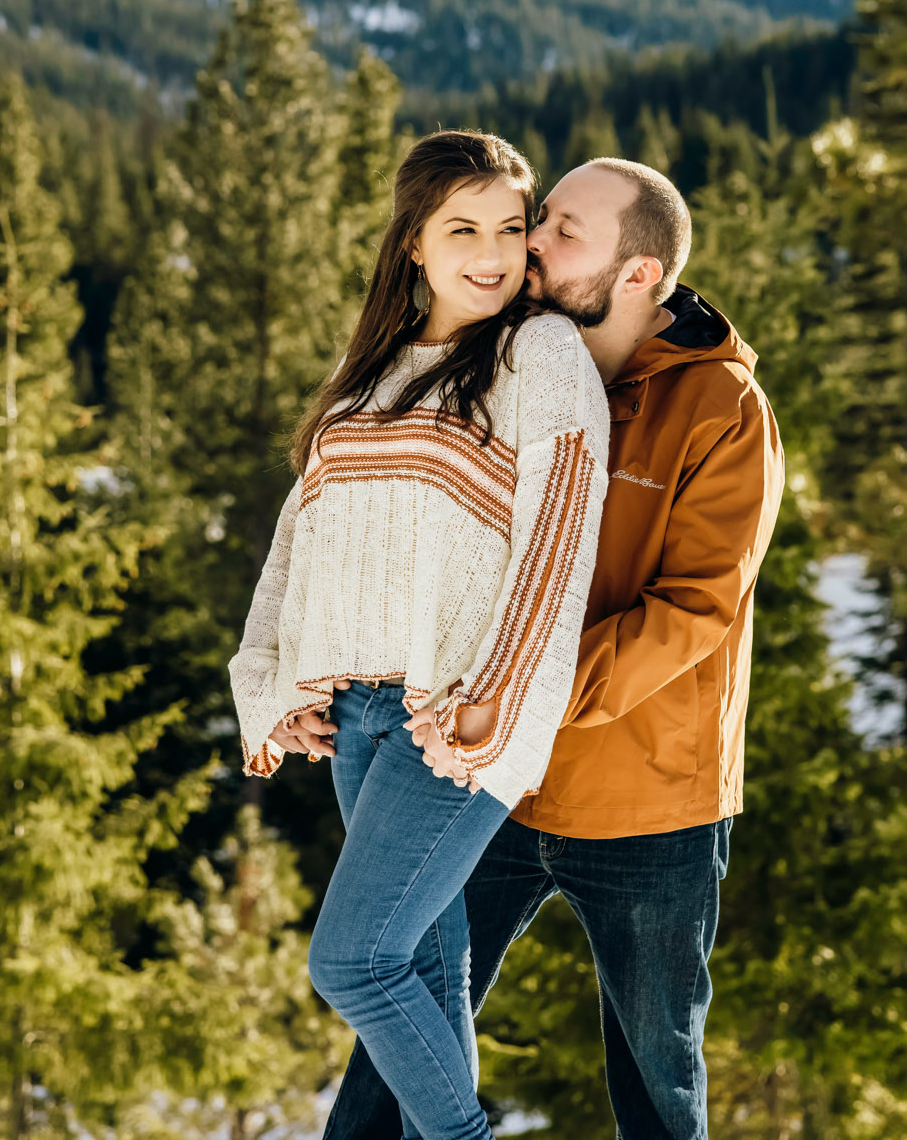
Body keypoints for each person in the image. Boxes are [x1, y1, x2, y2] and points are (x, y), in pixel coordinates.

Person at [320, 157, 785, 1140]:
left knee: (656, 1078)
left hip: (645, 800)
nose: (529, 242)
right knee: (397, 1017)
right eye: (542, 220)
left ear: (637, 274)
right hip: (486, 781)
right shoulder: (498, 362)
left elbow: (694, 611)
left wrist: (520, 689)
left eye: (563, 230)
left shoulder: (720, 409)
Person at [228, 130, 610, 1140]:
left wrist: (493, 693)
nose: (490, 251)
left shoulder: (539, 353)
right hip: (356, 717)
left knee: (350, 958)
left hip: (452, 714)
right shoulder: (371, 374)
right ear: (413, 243)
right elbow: (296, 541)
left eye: (508, 227)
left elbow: (557, 538)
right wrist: (276, 680)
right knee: (431, 969)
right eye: (462, 228)